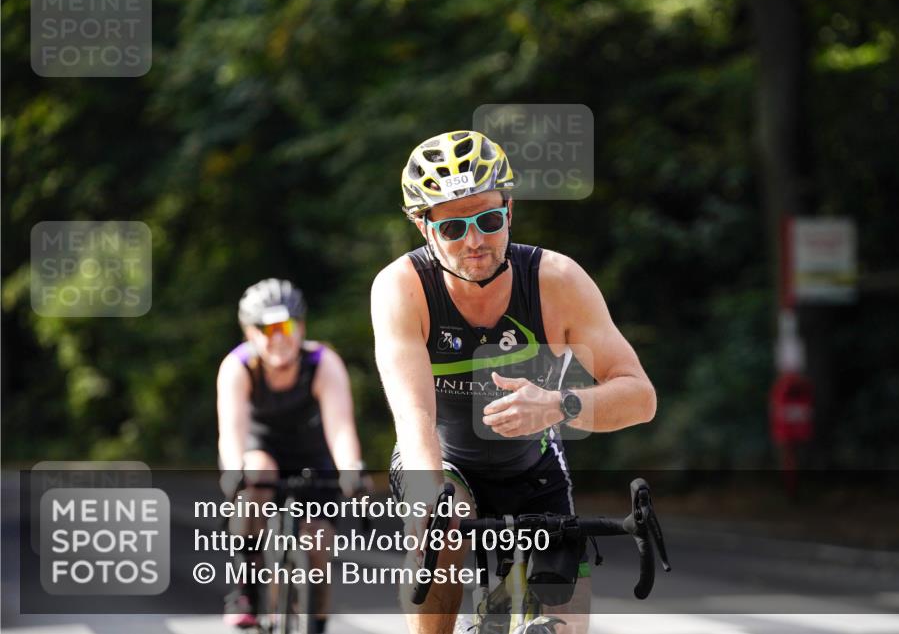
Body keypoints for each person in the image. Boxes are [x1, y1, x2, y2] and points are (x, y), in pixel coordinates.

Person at [371, 131, 657, 634]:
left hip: (533, 469)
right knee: (443, 530)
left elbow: (640, 396)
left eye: (487, 220)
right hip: (445, 462)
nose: (474, 241)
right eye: (452, 227)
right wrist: (425, 502)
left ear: (509, 209)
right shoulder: (402, 288)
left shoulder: (556, 281)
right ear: (422, 226)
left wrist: (560, 404)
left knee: (564, 625)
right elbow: (414, 417)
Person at [217, 278, 366, 632]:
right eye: (266, 329)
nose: (278, 338)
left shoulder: (322, 362)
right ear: (249, 333)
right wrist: (234, 472)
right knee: (256, 473)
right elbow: (232, 433)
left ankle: (314, 623)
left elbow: (341, 429)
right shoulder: (238, 366)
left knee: (318, 550)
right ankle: (246, 586)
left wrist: (352, 470)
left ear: (301, 327)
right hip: (260, 451)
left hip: (312, 458)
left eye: (285, 327)